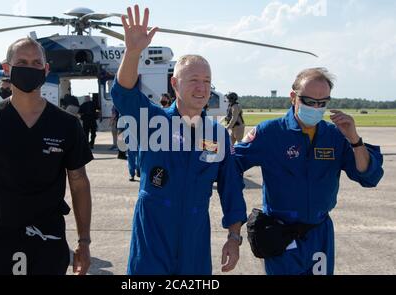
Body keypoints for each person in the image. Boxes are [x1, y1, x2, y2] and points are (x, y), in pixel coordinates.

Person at [111, 5, 246, 275]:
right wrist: (133, 52)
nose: (201, 87)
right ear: (174, 84)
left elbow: (231, 189)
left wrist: (234, 238)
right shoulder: (152, 122)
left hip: (194, 241)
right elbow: (124, 94)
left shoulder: (217, 134)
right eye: (193, 79)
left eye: (207, 81)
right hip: (152, 239)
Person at [0, 37, 94, 275]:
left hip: (49, 241)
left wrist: (84, 242)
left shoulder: (67, 124)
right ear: (6, 68)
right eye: (22, 62)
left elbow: (79, 184)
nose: (30, 67)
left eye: (37, 62)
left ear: (46, 69)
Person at [235, 67, 384, 275]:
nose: (316, 107)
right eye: (309, 101)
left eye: (322, 103)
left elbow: (369, 176)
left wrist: (354, 140)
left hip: (318, 233)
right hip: (280, 233)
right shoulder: (270, 132)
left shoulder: (334, 136)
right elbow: (232, 164)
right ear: (293, 97)